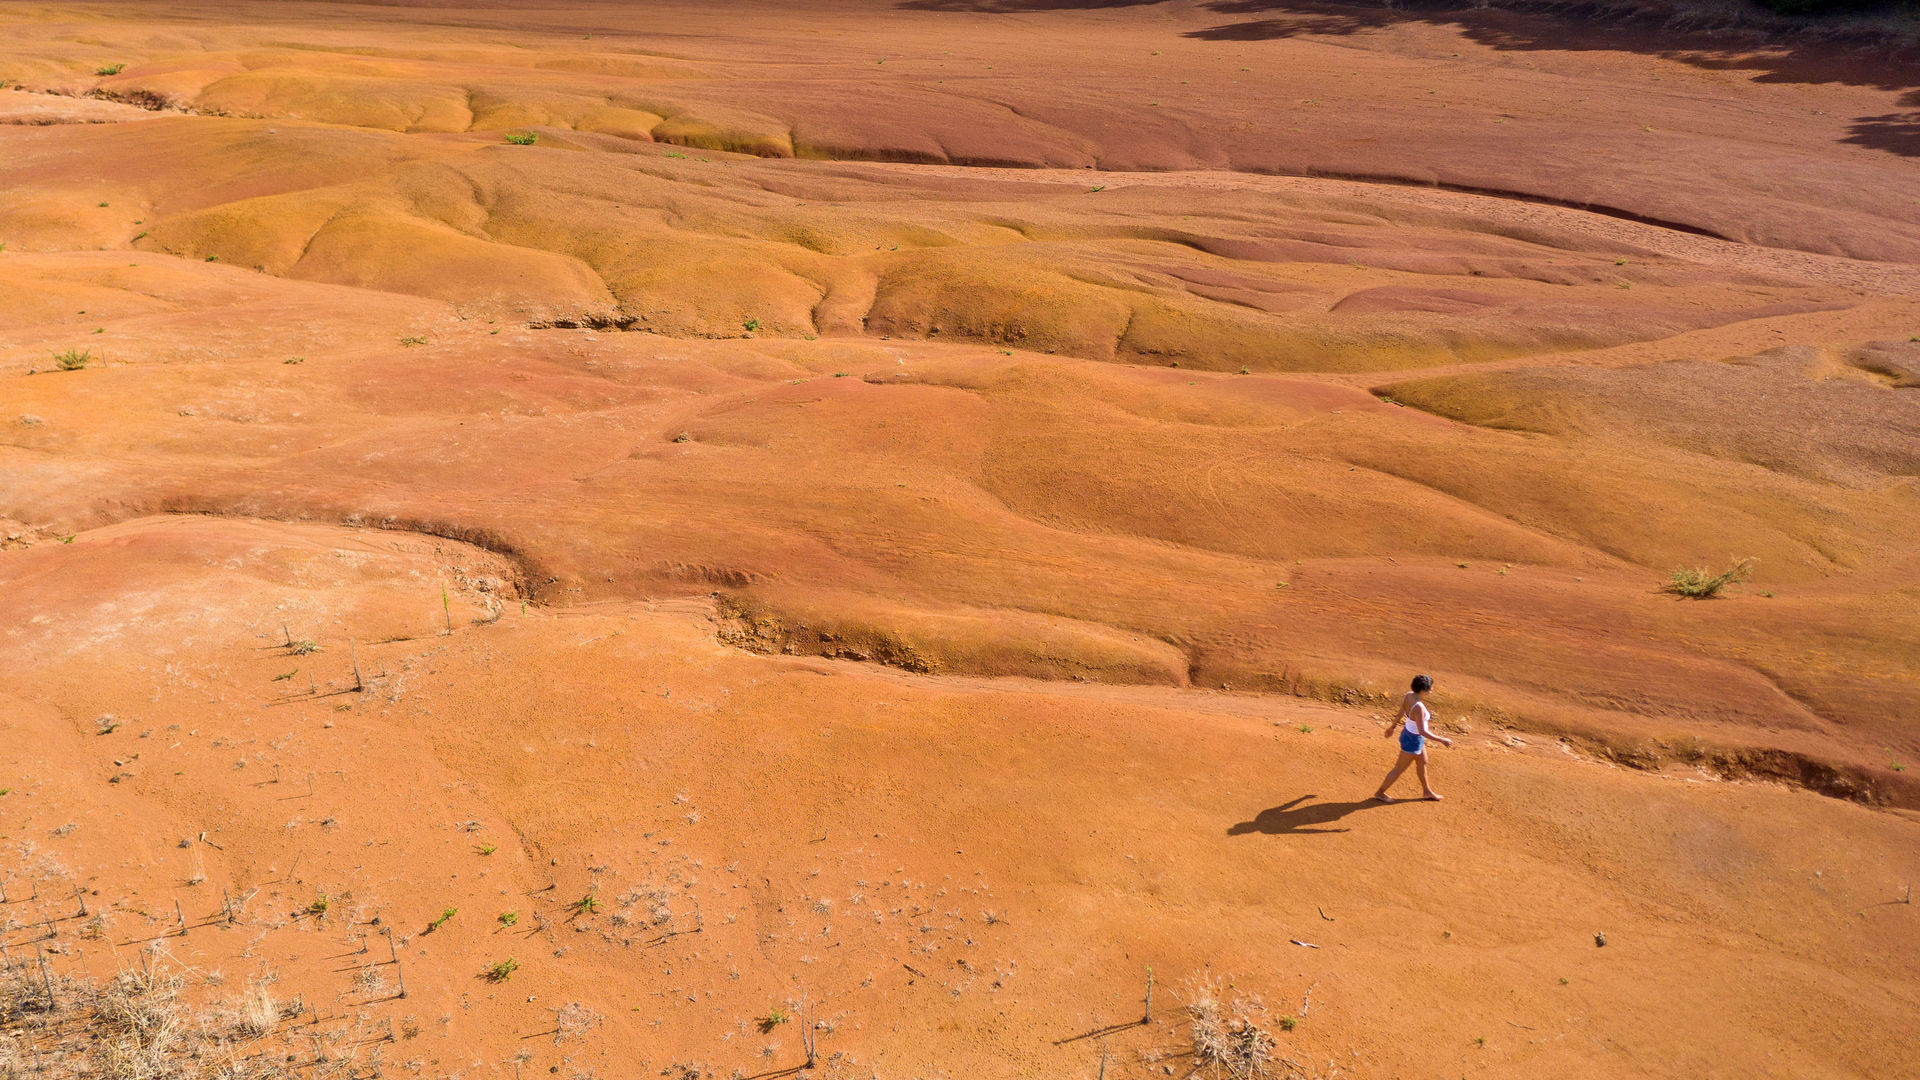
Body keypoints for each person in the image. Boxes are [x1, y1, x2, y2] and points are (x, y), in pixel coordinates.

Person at [1372, 674, 1451, 802]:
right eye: (1430, 688)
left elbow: (1401, 712)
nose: (1431, 690)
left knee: (1423, 761)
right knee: (1398, 769)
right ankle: (1380, 793)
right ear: (1423, 690)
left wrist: (1392, 727)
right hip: (1413, 740)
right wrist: (1442, 739)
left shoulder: (1408, 695)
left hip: (1408, 734)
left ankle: (1427, 791)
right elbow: (1423, 731)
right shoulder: (1419, 708)